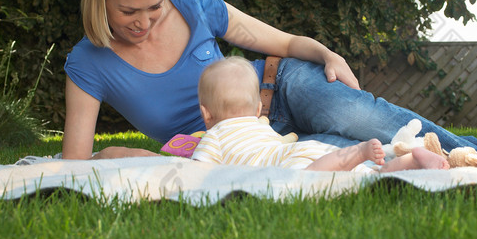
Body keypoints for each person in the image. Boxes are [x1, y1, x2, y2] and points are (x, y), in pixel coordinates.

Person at [62, 0, 477, 160]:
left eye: (153, 6)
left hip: (277, 86)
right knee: (351, 153)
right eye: (126, 12)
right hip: (236, 146)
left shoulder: (195, 4)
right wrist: (122, 153)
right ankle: (436, 160)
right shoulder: (88, 63)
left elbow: (282, 41)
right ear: (99, 1)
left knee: (356, 115)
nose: (143, 22)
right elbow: (75, 161)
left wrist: (327, 54)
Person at [192, 57, 450, 172]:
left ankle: (359, 153)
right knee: (368, 176)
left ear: (206, 114)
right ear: (259, 109)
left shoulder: (213, 138)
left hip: (290, 164)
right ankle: (409, 162)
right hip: (306, 150)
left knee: (307, 181)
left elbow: (196, 173)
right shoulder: (261, 126)